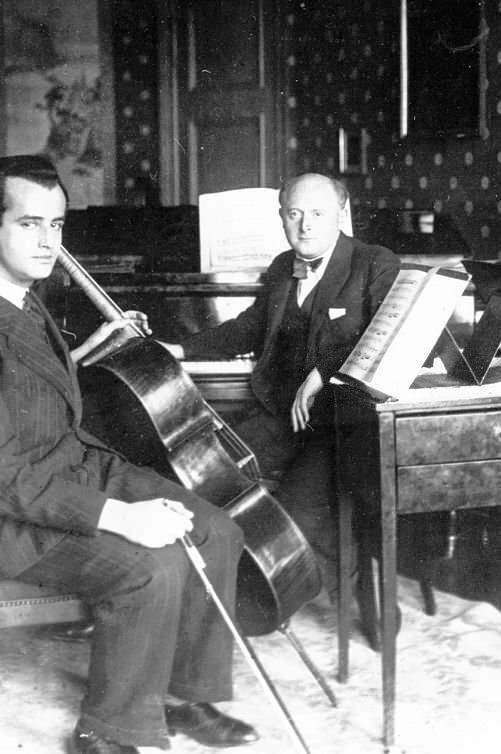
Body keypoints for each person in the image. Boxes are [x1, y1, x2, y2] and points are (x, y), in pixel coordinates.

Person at [0, 155, 261, 754]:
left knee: (217, 531)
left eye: (57, 225)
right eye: (30, 224)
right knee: (152, 566)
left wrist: (98, 346)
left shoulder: (16, 292)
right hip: (13, 517)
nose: (50, 242)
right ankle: (106, 731)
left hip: (71, 469)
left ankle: (183, 697)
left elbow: (32, 388)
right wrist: (123, 517)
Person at [161, 173, 401, 649]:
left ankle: (355, 584)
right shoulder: (282, 267)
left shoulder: (374, 263)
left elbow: (387, 338)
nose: (305, 225)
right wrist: (180, 348)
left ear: (342, 214)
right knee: (203, 474)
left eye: (318, 214)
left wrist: (325, 372)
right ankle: (205, 598)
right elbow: (248, 329)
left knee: (289, 520)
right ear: (282, 218)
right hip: (279, 417)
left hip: (341, 426)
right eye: (294, 214)